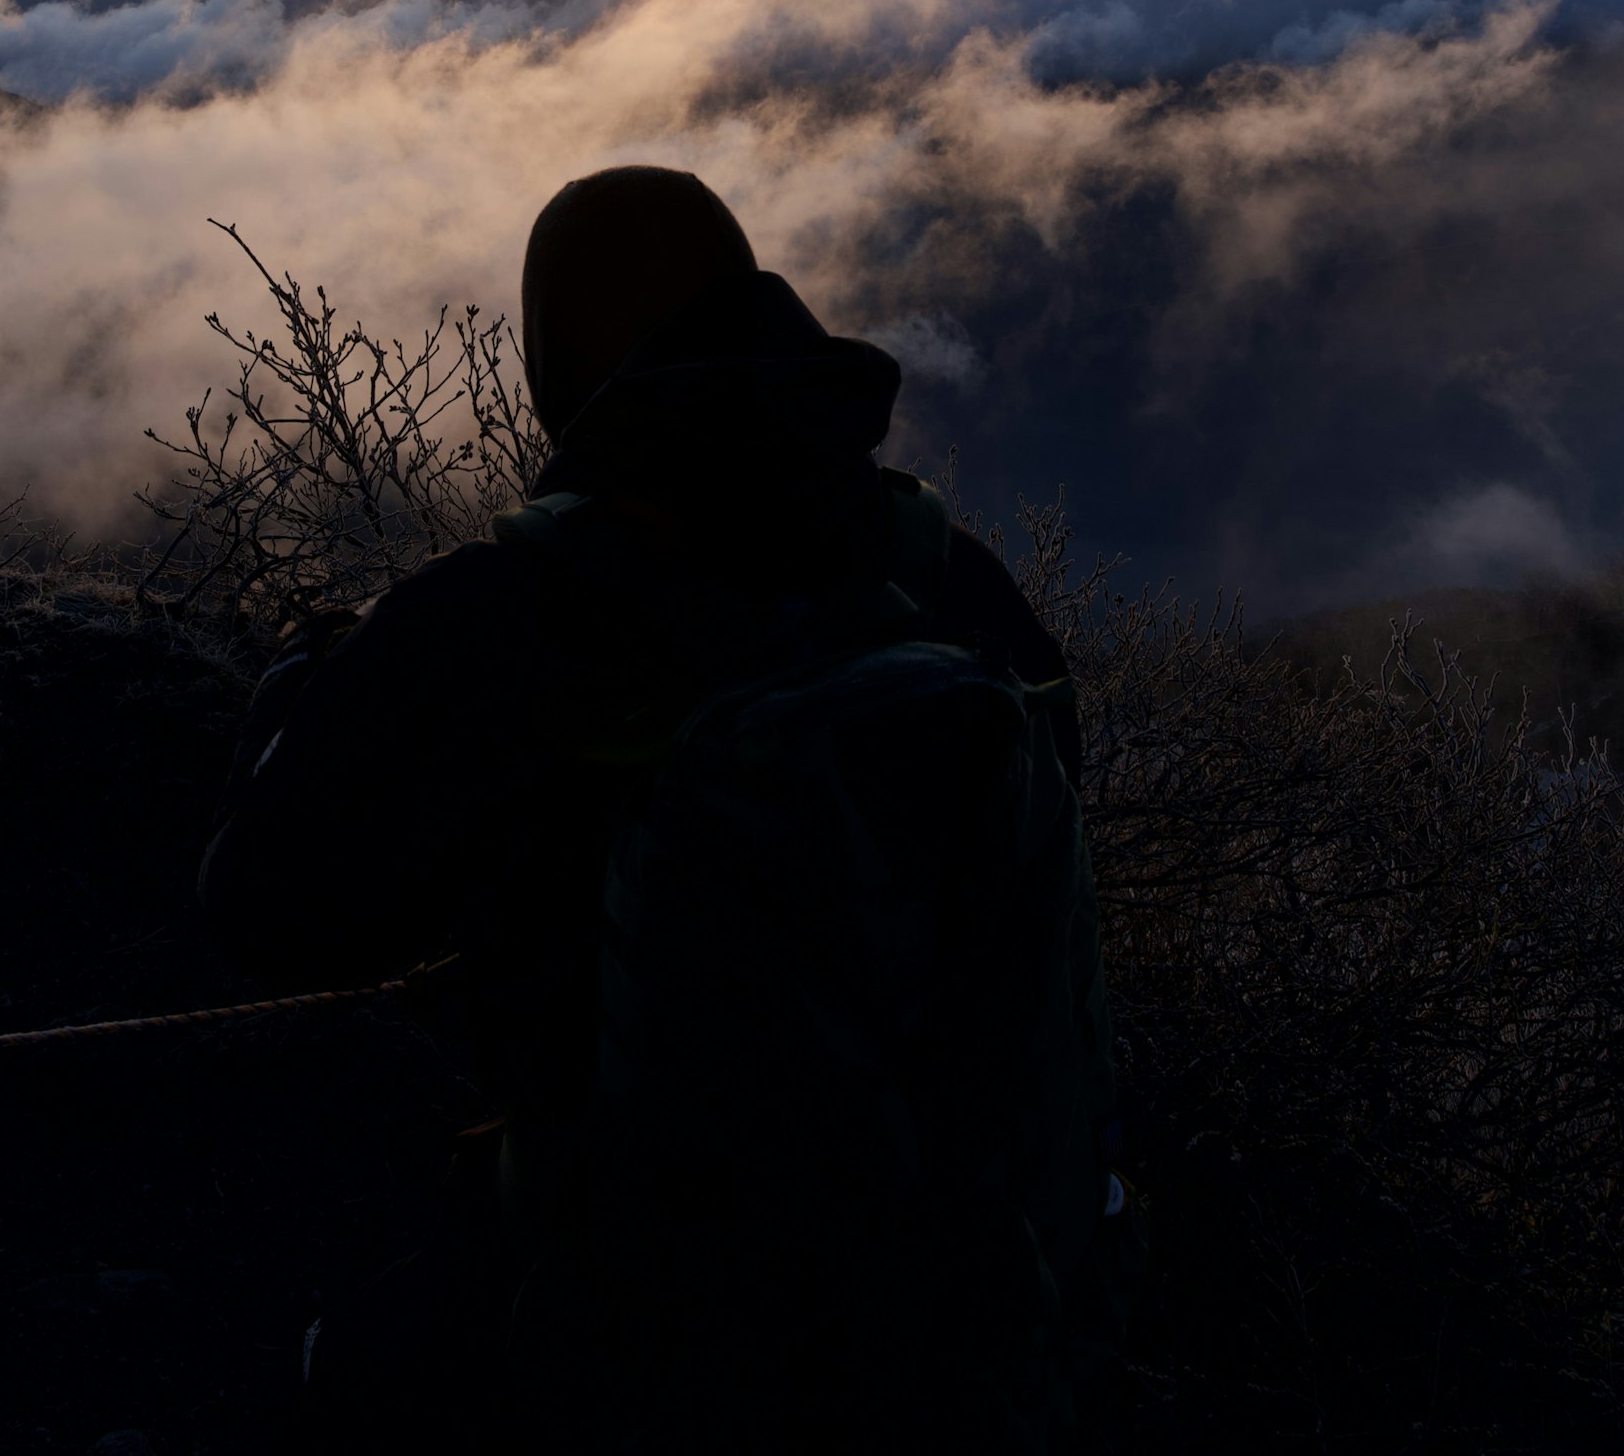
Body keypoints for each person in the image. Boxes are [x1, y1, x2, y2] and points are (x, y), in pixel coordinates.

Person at [200, 168, 1124, 1451]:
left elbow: (261, 906)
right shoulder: (947, 580)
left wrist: (312, 679)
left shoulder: (502, 616)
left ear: (558, 372)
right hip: (968, 1297)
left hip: (639, 1315)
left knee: (343, 1377)